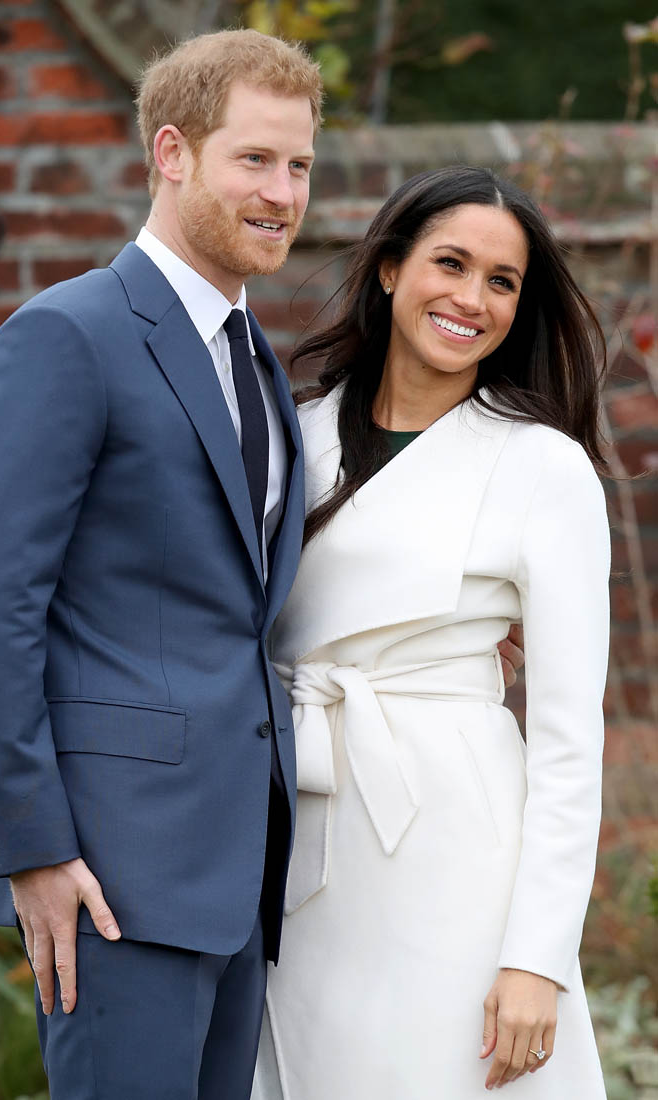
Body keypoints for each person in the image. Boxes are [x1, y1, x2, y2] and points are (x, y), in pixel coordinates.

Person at [0, 31, 524, 1100]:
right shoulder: (67, 336)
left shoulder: (258, 362)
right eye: (254, 159)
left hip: (245, 877)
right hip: (109, 878)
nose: (283, 193)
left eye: (299, 165)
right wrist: (32, 849)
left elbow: (244, 604)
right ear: (172, 153)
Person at [251, 166, 610, 1098]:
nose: (471, 299)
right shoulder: (293, 437)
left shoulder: (543, 467)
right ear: (389, 268)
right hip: (300, 834)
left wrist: (537, 957)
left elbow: (570, 743)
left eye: (502, 281)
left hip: (459, 853)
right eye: (450, 263)